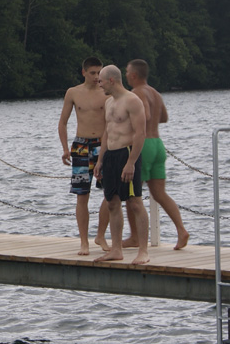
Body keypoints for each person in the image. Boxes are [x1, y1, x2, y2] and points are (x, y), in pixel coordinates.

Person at [124, 59, 189, 250]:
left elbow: (146, 115)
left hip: (143, 145)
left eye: (127, 72)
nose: (125, 75)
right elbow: (164, 117)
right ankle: (181, 230)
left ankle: (135, 236)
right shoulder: (155, 93)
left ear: (134, 75)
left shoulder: (137, 92)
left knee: (132, 194)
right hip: (158, 144)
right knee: (159, 193)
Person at [94, 64, 149, 265]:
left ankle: (143, 251)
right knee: (112, 202)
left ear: (111, 80)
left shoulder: (132, 101)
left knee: (134, 202)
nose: (99, 84)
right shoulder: (109, 102)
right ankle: (116, 249)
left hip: (127, 154)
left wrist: (131, 162)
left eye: (101, 81)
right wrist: (100, 160)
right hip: (110, 155)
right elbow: (107, 131)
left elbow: (140, 133)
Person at [57, 56, 111, 255]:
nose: (97, 77)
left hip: (102, 145)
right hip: (81, 146)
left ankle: (101, 235)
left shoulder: (106, 92)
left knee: (110, 193)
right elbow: (63, 122)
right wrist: (65, 148)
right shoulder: (73, 92)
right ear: (84, 72)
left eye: (99, 73)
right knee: (82, 195)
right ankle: (83, 242)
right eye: (93, 73)